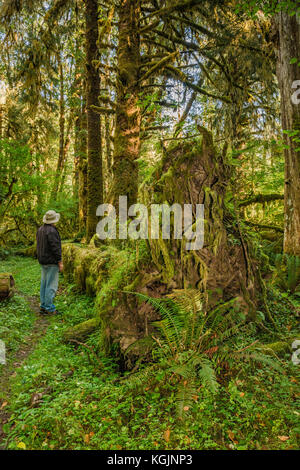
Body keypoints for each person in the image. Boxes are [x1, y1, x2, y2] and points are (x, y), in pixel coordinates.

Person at [36, 210, 63, 314]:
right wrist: (60, 261)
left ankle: (43, 305)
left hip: (42, 260)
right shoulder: (52, 231)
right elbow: (55, 248)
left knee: (44, 283)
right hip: (51, 262)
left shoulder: (40, 229)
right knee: (51, 285)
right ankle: (49, 308)